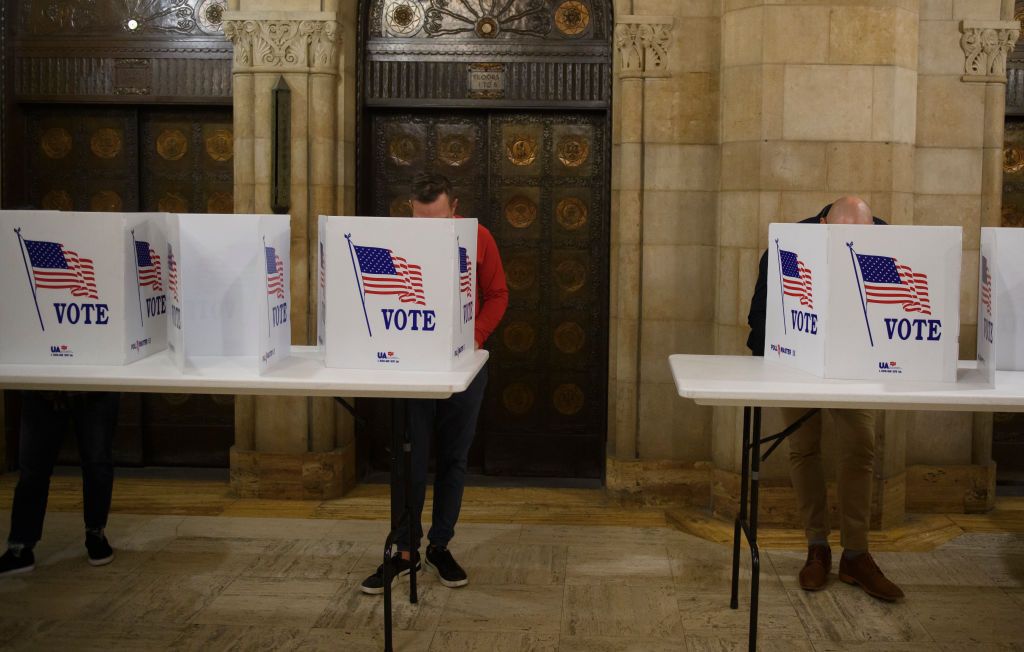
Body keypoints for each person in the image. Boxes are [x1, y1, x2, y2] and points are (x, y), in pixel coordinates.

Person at [746, 196, 904, 602]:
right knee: (803, 447)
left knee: (861, 448)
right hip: (798, 363)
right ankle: (816, 548)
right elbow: (759, 318)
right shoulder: (788, 245)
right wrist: (785, 354)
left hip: (856, 364)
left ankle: (856, 555)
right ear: (822, 223)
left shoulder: (885, 242)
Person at [361, 172, 508, 594]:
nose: (430, 229)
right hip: (411, 366)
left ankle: (439, 546)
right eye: (422, 220)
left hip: (464, 370)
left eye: (439, 220)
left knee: (453, 459)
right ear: (411, 209)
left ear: (454, 210)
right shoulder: (394, 240)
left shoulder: (479, 238)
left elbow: (498, 294)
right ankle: (405, 552)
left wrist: (474, 336)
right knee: (407, 459)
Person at [0, 391, 119, 576]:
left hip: (95, 385)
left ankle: (95, 533)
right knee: (33, 468)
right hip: (42, 386)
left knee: (97, 463)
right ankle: (20, 547)